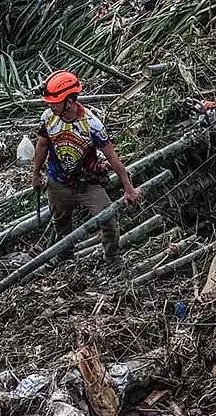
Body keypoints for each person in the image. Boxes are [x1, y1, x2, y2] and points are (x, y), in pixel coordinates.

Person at [31, 70, 140, 270]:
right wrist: (36, 173)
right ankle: (65, 254)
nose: (51, 106)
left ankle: (113, 258)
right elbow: (42, 145)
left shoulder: (91, 124)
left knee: (108, 218)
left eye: (55, 102)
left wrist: (128, 188)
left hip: (87, 182)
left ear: (70, 101)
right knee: (60, 222)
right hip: (58, 182)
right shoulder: (48, 118)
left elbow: (112, 156)